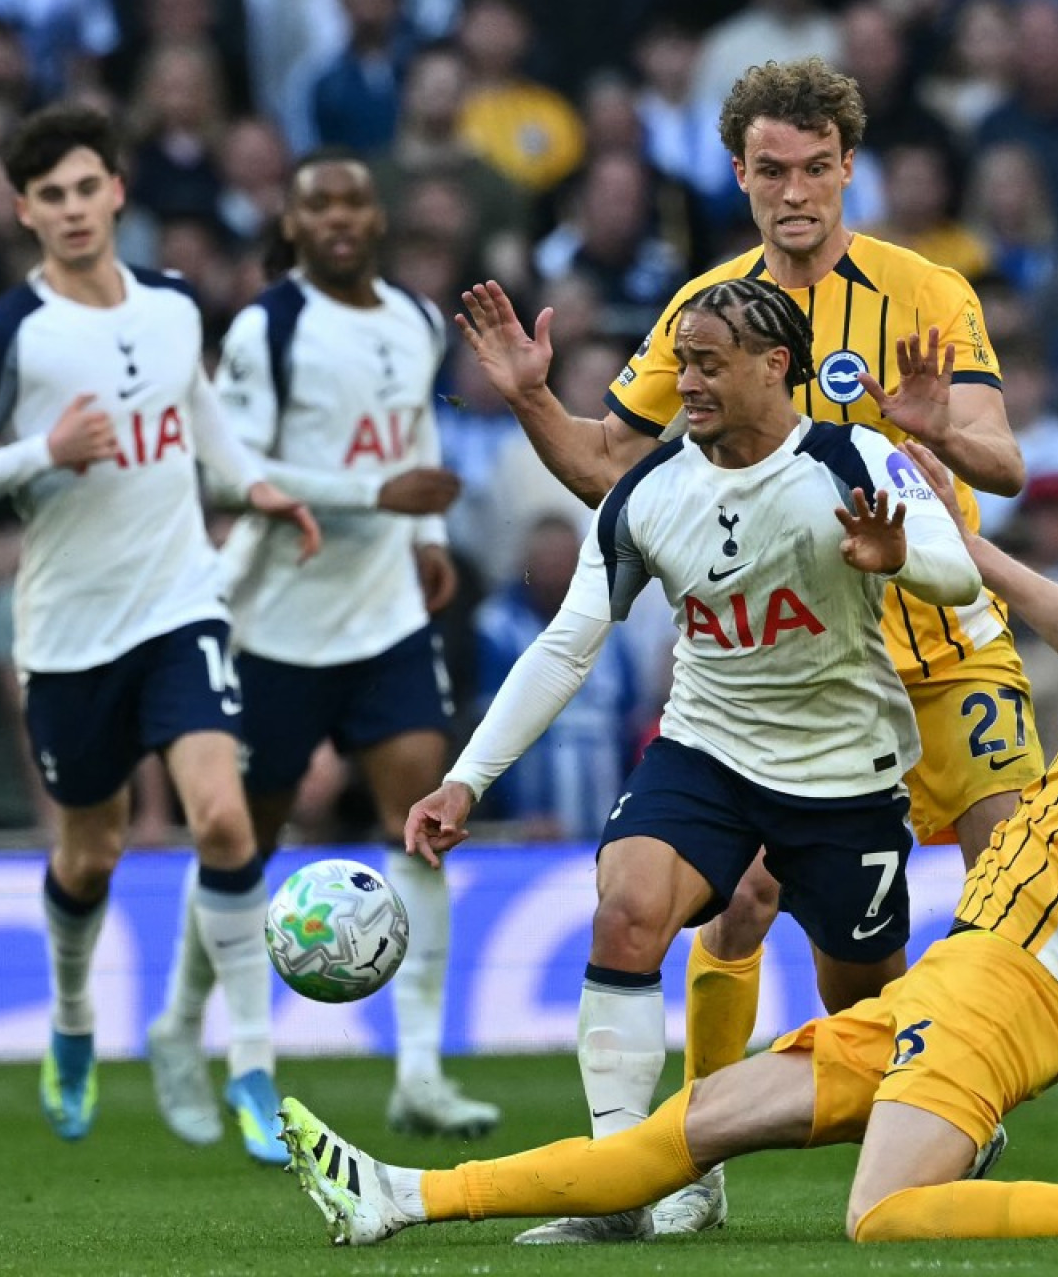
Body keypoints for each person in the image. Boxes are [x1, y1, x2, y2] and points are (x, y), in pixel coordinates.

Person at [276, 463, 1058, 1247]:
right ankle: (400, 1195)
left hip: (1019, 989)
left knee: (888, 1213)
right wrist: (970, 551)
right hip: (958, 972)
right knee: (685, 1127)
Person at [453, 57, 1040, 1235]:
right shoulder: (706, 311)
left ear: (848, 170)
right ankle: (683, 1159)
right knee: (730, 913)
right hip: (801, 671)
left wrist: (936, 434)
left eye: (817, 169)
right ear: (738, 173)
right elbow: (617, 473)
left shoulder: (924, 288)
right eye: (772, 170)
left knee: (1009, 894)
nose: (796, 193)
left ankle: (959, 1101)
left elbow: (1004, 462)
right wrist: (530, 399)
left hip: (943, 637)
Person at [410, 275, 981, 1243]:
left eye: (709, 365)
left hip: (843, 776)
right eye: (683, 364)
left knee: (864, 1025)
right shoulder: (647, 488)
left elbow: (958, 571)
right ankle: (617, 1182)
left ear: (775, 366)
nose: (689, 384)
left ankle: (947, 1107)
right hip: (705, 751)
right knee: (627, 907)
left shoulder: (854, 458)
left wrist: (898, 559)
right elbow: (566, 642)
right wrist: (469, 776)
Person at [0, 103, 320, 1161]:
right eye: (51, 195)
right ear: (24, 210)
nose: (74, 209)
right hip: (69, 633)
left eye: (88, 187)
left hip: (179, 603)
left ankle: (257, 1068)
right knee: (90, 853)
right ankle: (74, 1020)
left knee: (223, 820)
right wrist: (42, 449)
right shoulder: (8, 332)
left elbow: (202, 418)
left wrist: (257, 486)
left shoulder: (177, 305)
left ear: (118, 191)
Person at [143, 150, 499, 1148]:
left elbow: (413, 441)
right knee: (239, 841)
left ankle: (421, 1069)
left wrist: (424, 538)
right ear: (292, 226)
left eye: (353, 199)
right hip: (275, 622)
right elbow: (240, 473)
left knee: (425, 818)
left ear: (377, 216)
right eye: (318, 205)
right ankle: (177, 1023)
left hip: (384, 613)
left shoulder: (418, 319)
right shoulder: (271, 327)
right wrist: (378, 499)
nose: (339, 217)